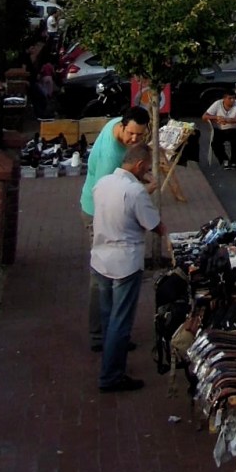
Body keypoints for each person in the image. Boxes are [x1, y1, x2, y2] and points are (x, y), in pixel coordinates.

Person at [91, 143, 164, 392]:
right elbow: (154, 224)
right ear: (140, 166)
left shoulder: (102, 183)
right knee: (120, 321)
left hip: (100, 257)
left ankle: (110, 357)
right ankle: (111, 374)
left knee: (107, 313)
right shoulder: (135, 191)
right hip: (125, 260)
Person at [79, 106, 149, 353]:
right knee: (102, 276)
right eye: (131, 134)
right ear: (122, 125)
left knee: (106, 274)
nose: (134, 139)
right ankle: (102, 335)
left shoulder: (114, 123)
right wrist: (141, 192)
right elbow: (108, 198)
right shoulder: (111, 157)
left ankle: (111, 331)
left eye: (140, 136)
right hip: (97, 211)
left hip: (100, 204)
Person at [203, 90, 236, 170]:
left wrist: (229, 120)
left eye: (233, 98)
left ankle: (234, 161)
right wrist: (216, 117)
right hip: (220, 129)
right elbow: (204, 116)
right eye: (230, 98)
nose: (232, 100)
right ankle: (224, 160)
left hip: (234, 128)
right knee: (215, 144)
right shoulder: (217, 104)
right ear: (224, 98)